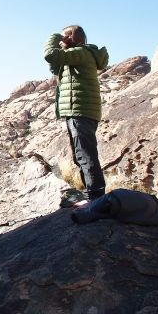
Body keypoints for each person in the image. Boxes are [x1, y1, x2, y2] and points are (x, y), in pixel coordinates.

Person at [43, 25, 109, 207]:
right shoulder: (76, 55)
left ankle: (96, 198)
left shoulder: (81, 52)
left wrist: (54, 37)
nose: (61, 40)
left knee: (85, 154)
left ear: (73, 38)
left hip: (79, 109)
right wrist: (61, 48)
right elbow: (55, 67)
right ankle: (93, 196)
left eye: (65, 36)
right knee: (81, 154)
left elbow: (50, 54)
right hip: (80, 110)